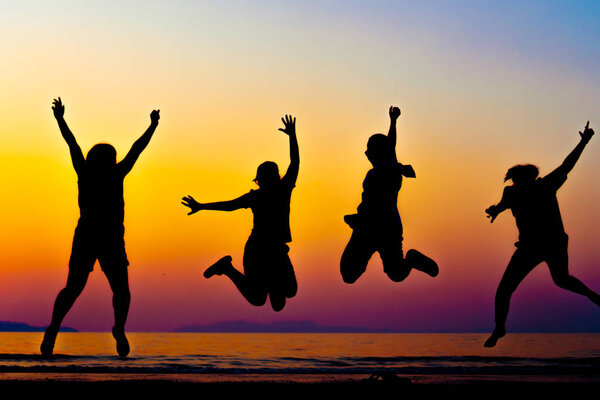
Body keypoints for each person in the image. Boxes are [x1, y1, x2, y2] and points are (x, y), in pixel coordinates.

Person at [41, 97, 160, 357]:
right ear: (106, 159)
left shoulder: (92, 171)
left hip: (100, 237)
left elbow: (74, 144)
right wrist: (152, 126)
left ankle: (112, 328)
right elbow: (135, 149)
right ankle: (58, 328)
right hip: (98, 237)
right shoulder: (107, 172)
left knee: (98, 289)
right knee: (99, 289)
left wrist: (60, 119)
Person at [484, 122, 600, 347]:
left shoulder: (544, 185)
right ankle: (499, 327)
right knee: (506, 288)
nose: (516, 183)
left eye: (518, 180)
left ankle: (593, 296)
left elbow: (567, 165)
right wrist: (495, 211)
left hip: (552, 242)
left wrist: (584, 142)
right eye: (514, 180)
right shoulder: (512, 192)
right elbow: (502, 204)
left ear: (530, 179)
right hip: (529, 246)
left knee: (561, 280)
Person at [182, 115, 299, 312]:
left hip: (273, 250)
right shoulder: (271, 192)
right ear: (261, 180)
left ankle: (232, 270)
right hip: (258, 251)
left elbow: (294, 163)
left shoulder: (280, 189)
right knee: (261, 299)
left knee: (281, 296)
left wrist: (292, 136)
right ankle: (226, 268)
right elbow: (230, 205)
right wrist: (202, 206)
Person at [340, 106, 438, 284]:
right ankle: (397, 261)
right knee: (348, 274)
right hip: (367, 226)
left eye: (369, 151)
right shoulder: (385, 168)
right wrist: (393, 121)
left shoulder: (390, 171)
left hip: (384, 228)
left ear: (376, 153)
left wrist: (393, 124)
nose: (366, 154)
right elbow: (391, 146)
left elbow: (390, 148)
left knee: (397, 273)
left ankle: (412, 259)